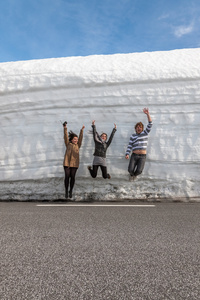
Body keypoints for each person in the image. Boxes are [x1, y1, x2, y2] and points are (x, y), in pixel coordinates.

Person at [125, 108, 153, 181]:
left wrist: (147, 114)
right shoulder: (133, 136)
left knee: (139, 171)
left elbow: (150, 124)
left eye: (140, 127)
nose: (139, 128)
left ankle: (134, 176)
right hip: (134, 155)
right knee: (130, 169)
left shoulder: (145, 133)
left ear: (142, 128)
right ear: (135, 128)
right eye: (137, 127)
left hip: (142, 156)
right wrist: (127, 154)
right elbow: (130, 145)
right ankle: (132, 175)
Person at [63, 122, 85, 199]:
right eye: (74, 139)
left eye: (76, 139)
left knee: (72, 177)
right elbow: (65, 137)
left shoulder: (78, 145)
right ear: (71, 140)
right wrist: (65, 128)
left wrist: (82, 130)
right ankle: (66, 190)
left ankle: (70, 191)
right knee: (67, 176)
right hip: (67, 163)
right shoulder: (68, 144)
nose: (76, 140)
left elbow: (81, 138)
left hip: (75, 164)